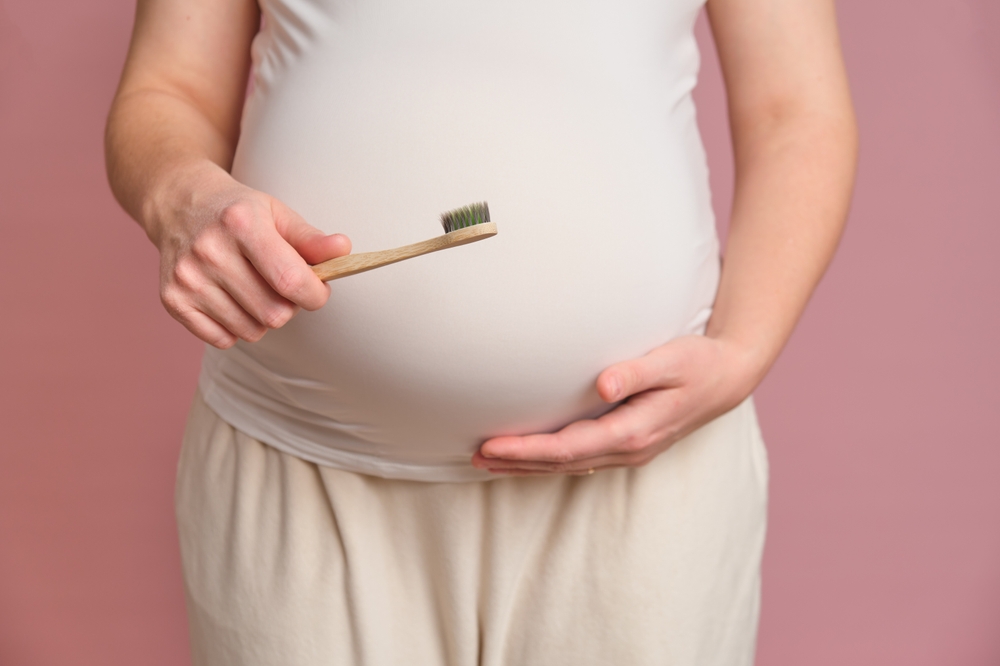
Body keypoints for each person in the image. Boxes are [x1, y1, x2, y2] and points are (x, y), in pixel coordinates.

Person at [105, 0, 857, 664]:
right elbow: (168, 87)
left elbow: (796, 112)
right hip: (298, 471)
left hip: (645, 492)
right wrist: (180, 194)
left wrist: (742, 352)